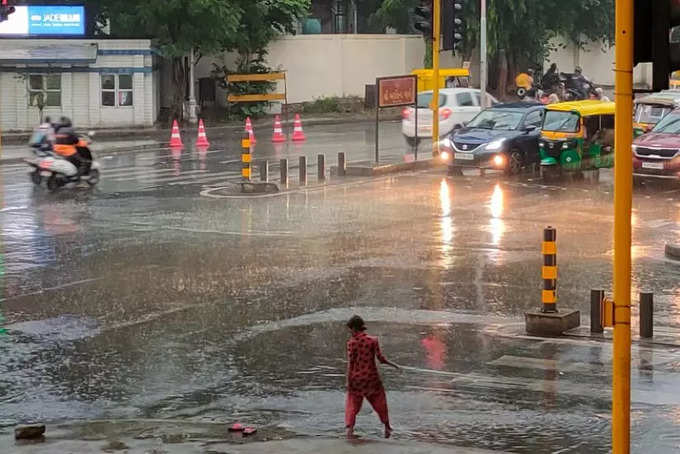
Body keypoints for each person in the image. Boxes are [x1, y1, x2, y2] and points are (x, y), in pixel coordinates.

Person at [345, 315, 399, 439]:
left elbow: (351, 363)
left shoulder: (351, 343)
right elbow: (380, 359)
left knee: (352, 404)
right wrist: (393, 364)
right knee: (380, 401)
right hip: (371, 378)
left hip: (356, 379)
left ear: (354, 328)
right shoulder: (372, 340)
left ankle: (350, 429)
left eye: (350, 329)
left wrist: (348, 381)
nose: (350, 332)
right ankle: (387, 426)